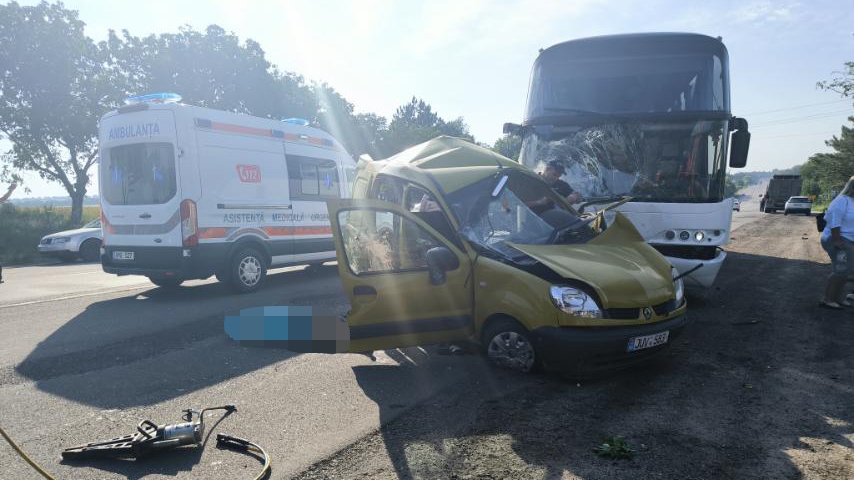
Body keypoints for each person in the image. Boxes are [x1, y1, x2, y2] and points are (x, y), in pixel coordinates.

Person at [820, 176, 854, 309]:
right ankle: (827, 299)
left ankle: (838, 298)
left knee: (847, 270)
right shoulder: (842, 200)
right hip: (837, 238)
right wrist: (837, 241)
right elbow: (835, 222)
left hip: (849, 240)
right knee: (841, 270)